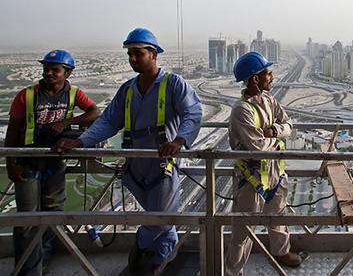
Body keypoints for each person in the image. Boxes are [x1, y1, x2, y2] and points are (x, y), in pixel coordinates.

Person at [54, 28, 202, 273]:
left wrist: (180, 140)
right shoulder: (128, 90)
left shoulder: (174, 84)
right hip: (135, 164)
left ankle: (151, 256)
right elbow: (109, 121)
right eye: (130, 54)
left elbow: (193, 113)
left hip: (162, 164)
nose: (133, 59)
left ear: (153, 54)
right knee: (160, 217)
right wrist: (81, 141)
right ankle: (162, 257)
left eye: (138, 53)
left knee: (161, 218)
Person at [5, 49, 99, 276]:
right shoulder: (26, 96)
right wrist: (11, 163)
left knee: (52, 214)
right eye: (46, 69)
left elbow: (95, 112)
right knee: (27, 219)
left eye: (54, 70)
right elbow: (13, 129)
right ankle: (29, 270)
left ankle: (43, 260)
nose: (48, 73)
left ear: (67, 73)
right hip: (27, 161)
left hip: (55, 161)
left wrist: (68, 121)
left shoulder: (74, 93)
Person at [224, 52, 305, 275]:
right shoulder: (241, 110)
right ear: (255, 79)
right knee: (242, 231)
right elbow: (257, 148)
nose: (273, 77)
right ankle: (233, 271)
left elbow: (289, 124)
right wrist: (277, 136)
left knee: (278, 218)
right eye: (268, 73)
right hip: (251, 180)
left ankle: (281, 252)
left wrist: (275, 130)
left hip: (275, 175)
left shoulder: (270, 100)